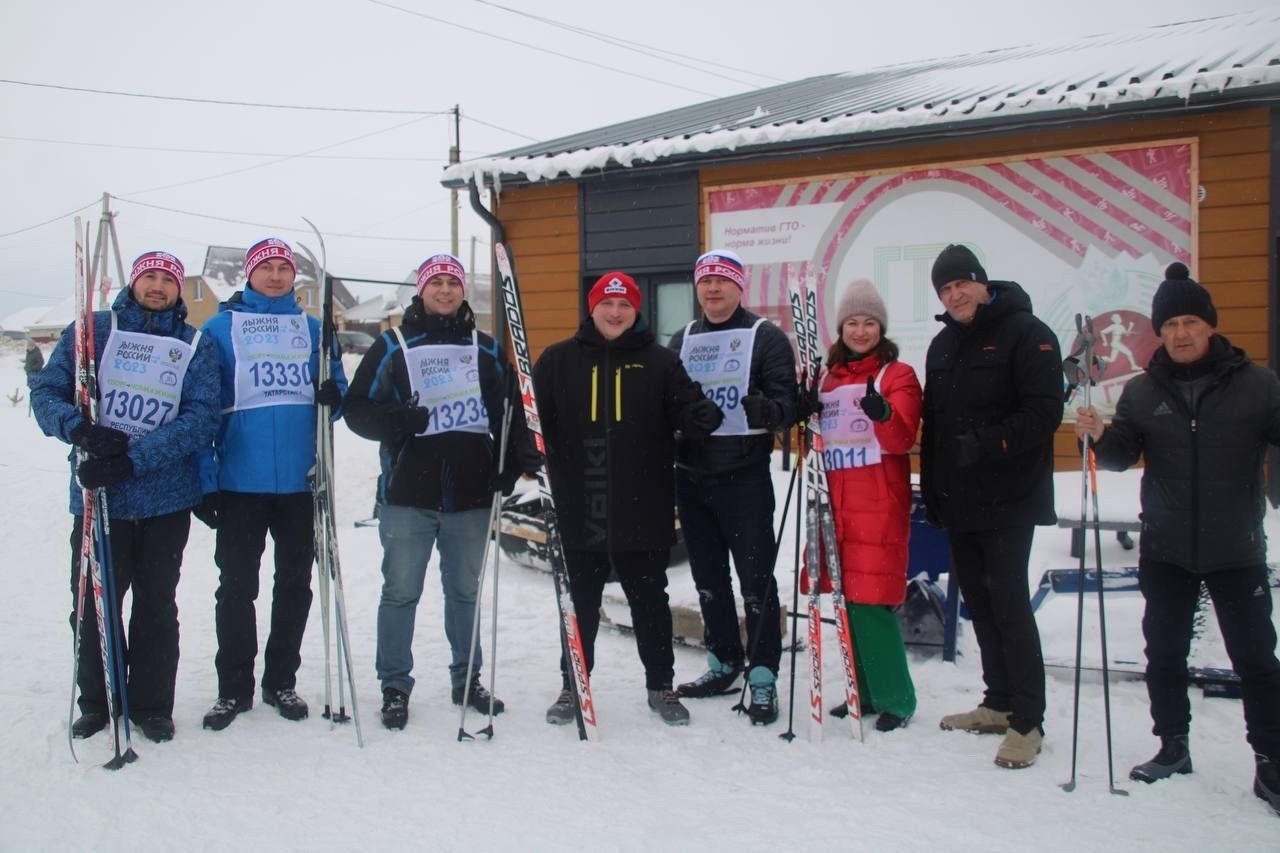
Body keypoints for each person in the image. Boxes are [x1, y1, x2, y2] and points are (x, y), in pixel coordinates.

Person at [1075, 262, 1280, 813]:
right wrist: (1100, 437)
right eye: (1170, 325)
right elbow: (1121, 456)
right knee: (1164, 654)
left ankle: (1271, 760)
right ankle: (1173, 746)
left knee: (1257, 659)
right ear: (1159, 333)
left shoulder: (1258, 385)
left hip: (1236, 548)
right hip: (1166, 549)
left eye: (1191, 321)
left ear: (1210, 326)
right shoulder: (1144, 392)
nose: (1181, 333)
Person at [31, 250, 220, 742]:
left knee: (157, 604)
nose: (158, 286)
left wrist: (133, 460)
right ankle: (98, 699)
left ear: (180, 289)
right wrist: (80, 431)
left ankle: (151, 704)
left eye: (168, 280)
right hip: (100, 498)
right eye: (149, 277)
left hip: (165, 499)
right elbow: (46, 391)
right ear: (134, 282)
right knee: (94, 603)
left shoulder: (193, 343)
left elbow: (201, 418)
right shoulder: (93, 329)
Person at [345, 253, 537, 730]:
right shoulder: (392, 345)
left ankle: (466, 678)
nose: (446, 291)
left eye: (454, 283)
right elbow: (356, 409)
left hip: (470, 494)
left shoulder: (486, 348)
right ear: (422, 291)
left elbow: (509, 414)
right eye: (437, 283)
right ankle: (394, 684)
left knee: (464, 591)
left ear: (462, 292)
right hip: (408, 493)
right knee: (401, 591)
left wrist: (509, 467)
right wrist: (397, 421)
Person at [533, 272, 723, 727]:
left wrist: (702, 415)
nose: (615, 313)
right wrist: (525, 450)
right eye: (607, 304)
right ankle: (573, 683)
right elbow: (533, 420)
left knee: (649, 600)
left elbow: (687, 407)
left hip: (645, 501)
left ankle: (660, 684)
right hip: (581, 501)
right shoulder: (558, 361)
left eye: (624, 305)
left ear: (636, 311)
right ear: (592, 307)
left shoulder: (660, 363)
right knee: (579, 600)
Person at [920, 243, 1063, 769]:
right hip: (961, 500)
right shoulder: (942, 346)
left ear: (983, 282)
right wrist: (932, 489)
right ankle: (998, 701)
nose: (955, 294)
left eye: (962, 283)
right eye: (945, 288)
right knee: (978, 602)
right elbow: (934, 426)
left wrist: (989, 443)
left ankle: (1028, 720)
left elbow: (1044, 413)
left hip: (1010, 496)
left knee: (1007, 602)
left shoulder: (1028, 334)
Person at [196, 237, 347, 730]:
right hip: (242, 480)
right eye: (268, 268)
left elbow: (338, 395)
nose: (278, 276)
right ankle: (233, 687)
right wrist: (207, 479)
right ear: (250, 274)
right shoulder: (221, 328)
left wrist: (333, 394)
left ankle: (281, 679)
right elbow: (200, 408)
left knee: (295, 585)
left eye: (285, 268)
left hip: (301, 484)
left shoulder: (313, 328)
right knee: (236, 588)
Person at [668, 249, 797, 725]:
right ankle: (723, 662)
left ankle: (762, 675)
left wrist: (773, 411)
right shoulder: (683, 337)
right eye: (706, 281)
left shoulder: (765, 336)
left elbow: (786, 400)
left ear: (740, 287)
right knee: (708, 580)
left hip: (743, 476)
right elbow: (669, 399)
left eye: (723, 280)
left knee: (756, 579)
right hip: (692, 475)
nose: (713, 289)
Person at [814, 279, 922, 732]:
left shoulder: (897, 375)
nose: (861, 331)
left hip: (877, 499)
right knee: (844, 597)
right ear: (841, 328)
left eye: (870, 322)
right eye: (853, 322)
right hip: (836, 500)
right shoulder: (827, 377)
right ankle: (865, 692)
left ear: (882, 328)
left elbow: (902, 438)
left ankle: (897, 698)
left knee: (870, 601)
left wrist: (882, 414)